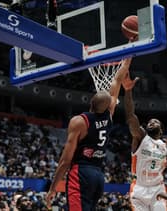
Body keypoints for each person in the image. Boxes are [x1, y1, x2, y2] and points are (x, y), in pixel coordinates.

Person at [45, 58, 132, 210]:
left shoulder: (79, 121)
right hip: (98, 175)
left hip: (81, 173)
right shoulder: (109, 115)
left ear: (91, 102)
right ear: (109, 105)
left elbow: (65, 160)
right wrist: (129, 54)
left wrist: (53, 188)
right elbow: (117, 80)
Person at [121, 72, 167, 211]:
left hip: (157, 189)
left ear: (161, 130)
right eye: (149, 122)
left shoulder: (165, 147)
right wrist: (128, 91)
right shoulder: (140, 137)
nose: (151, 122)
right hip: (138, 188)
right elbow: (130, 116)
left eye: (155, 121)